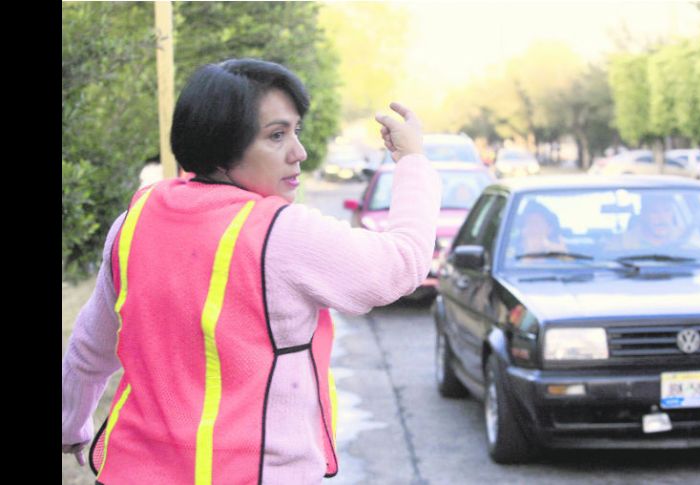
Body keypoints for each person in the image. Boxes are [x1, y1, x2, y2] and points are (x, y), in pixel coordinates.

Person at [61, 58, 441, 485]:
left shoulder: (134, 219)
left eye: (296, 130)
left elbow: (90, 348)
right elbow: (402, 263)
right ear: (221, 146)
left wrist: (71, 425)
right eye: (277, 136)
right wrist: (413, 160)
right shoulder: (281, 233)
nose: (299, 152)